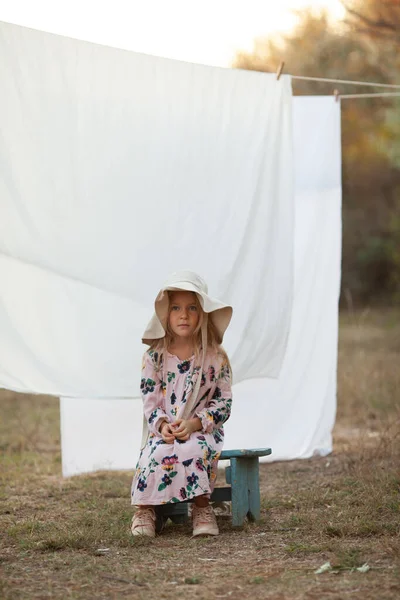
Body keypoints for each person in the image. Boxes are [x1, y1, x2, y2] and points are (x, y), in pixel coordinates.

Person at [130, 270, 233, 537]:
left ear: (203, 313)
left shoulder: (215, 358)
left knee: (193, 450)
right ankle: (145, 511)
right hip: (163, 431)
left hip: (200, 429)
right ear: (166, 313)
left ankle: (201, 507)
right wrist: (163, 425)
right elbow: (150, 400)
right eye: (176, 307)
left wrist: (194, 423)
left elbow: (223, 403)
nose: (183, 315)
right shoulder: (155, 357)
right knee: (155, 453)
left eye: (191, 308)